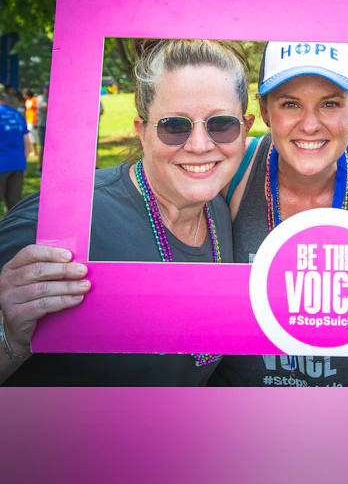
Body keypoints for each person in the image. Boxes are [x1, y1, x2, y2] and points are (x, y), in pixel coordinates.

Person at [0, 39, 253, 385]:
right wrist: (9, 338)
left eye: (222, 124)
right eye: (174, 126)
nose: (198, 145)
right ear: (142, 132)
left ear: (246, 130)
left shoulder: (222, 214)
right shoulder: (59, 221)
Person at [210, 41, 348, 387]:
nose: (310, 125)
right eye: (290, 104)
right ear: (265, 110)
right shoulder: (232, 170)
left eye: (329, 104)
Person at [0, 91, 29, 215]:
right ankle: (10, 233)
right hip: (18, 163)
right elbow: (27, 142)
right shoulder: (17, 114)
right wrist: (24, 162)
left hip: (2, 163)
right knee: (14, 205)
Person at [35, 85, 48, 174]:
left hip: (50, 126)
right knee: (42, 146)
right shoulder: (41, 98)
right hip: (42, 125)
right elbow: (44, 109)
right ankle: (39, 167)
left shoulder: (50, 98)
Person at [23, 89, 39, 158]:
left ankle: (35, 151)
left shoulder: (34, 100)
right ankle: (32, 150)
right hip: (28, 120)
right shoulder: (27, 101)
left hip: (33, 120)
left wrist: (36, 121)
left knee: (32, 136)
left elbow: (37, 110)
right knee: (29, 136)